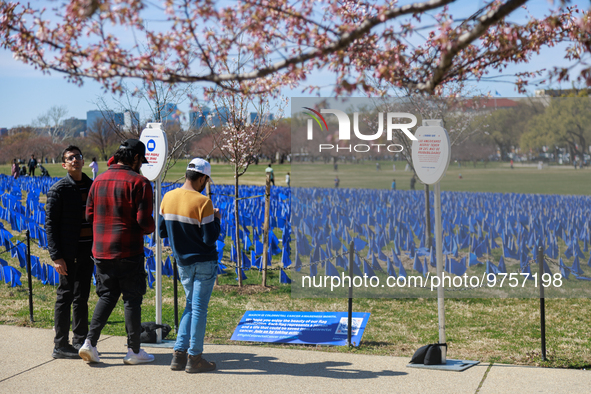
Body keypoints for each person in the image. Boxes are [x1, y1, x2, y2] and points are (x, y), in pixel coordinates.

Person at [79, 139, 155, 365]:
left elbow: (88, 216)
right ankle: (133, 351)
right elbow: (143, 221)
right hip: (128, 249)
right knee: (132, 299)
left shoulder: (98, 180)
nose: (141, 164)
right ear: (134, 158)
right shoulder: (140, 182)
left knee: (107, 295)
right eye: (141, 160)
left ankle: (89, 343)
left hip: (101, 250)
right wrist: (152, 226)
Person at [159, 158, 221, 373]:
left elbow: (161, 232)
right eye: (206, 180)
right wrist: (217, 220)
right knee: (199, 309)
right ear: (202, 178)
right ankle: (195, 357)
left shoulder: (168, 197)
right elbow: (209, 238)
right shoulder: (203, 202)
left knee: (189, 305)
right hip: (204, 261)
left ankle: (178, 354)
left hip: (182, 261)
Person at [45, 146, 94, 359]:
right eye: (70, 158)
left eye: (78, 157)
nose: (75, 160)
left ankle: (80, 340)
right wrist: (56, 256)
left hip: (87, 250)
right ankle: (60, 344)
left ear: (83, 162)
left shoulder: (92, 186)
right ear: (64, 164)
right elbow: (51, 225)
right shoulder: (59, 189)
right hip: (67, 253)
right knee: (65, 296)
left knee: (82, 296)